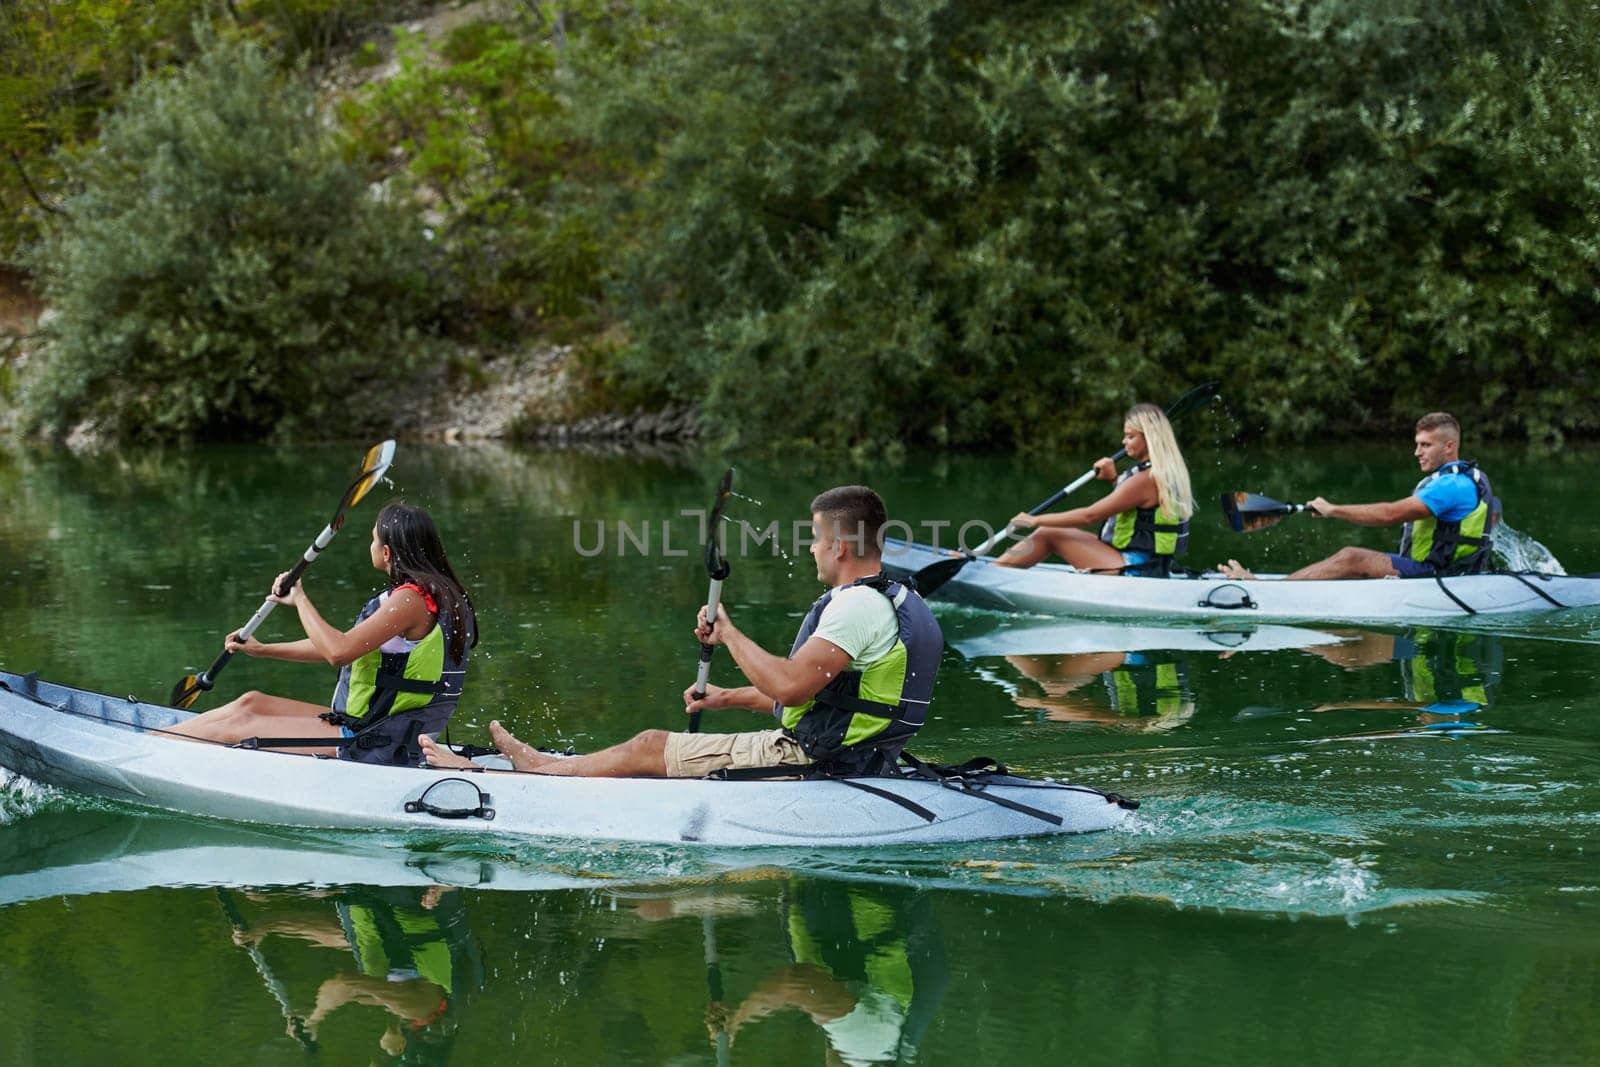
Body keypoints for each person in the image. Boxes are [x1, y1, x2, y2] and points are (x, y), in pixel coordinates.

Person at [419, 485, 942, 778]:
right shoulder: (895, 598)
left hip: (814, 761)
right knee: (655, 748)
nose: (809, 549)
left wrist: (729, 633)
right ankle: (566, 767)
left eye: (814, 539)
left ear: (841, 548)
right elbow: (838, 700)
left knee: (648, 745)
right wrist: (726, 698)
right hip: (861, 756)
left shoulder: (855, 608)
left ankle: (544, 772)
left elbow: (791, 687)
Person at [167, 502, 478, 765]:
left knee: (238, 724)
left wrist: (300, 598)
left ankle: (153, 751)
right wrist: (262, 649)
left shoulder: (411, 600)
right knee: (250, 702)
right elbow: (339, 644)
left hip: (373, 740)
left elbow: (337, 652)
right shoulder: (431, 594)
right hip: (367, 727)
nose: (368, 546)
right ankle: (160, 739)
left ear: (385, 552)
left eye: (371, 540)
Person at [1219, 412, 1496, 581]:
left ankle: (1268, 592)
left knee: (1353, 557)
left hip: (1436, 576)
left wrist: (1333, 510)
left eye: (1426, 445)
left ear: (1449, 446)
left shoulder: (1449, 486)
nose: (1417, 452)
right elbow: (1492, 514)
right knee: (1350, 656)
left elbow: (1390, 514)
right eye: (1417, 444)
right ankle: (1292, 585)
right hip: (1449, 572)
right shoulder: (1466, 479)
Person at [994, 402, 1195, 576]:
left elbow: (1090, 516)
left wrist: (1034, 520)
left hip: (1134, 569)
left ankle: (995, 573)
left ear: (1149, 438)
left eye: (1130, 436)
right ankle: (998, 569)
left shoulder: (1145, 479)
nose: (1124, 442)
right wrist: (1115, 479)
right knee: (1049, 531)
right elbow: (1139, 508)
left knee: (1047, 532)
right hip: (1148, 565)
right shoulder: (1159, 473)